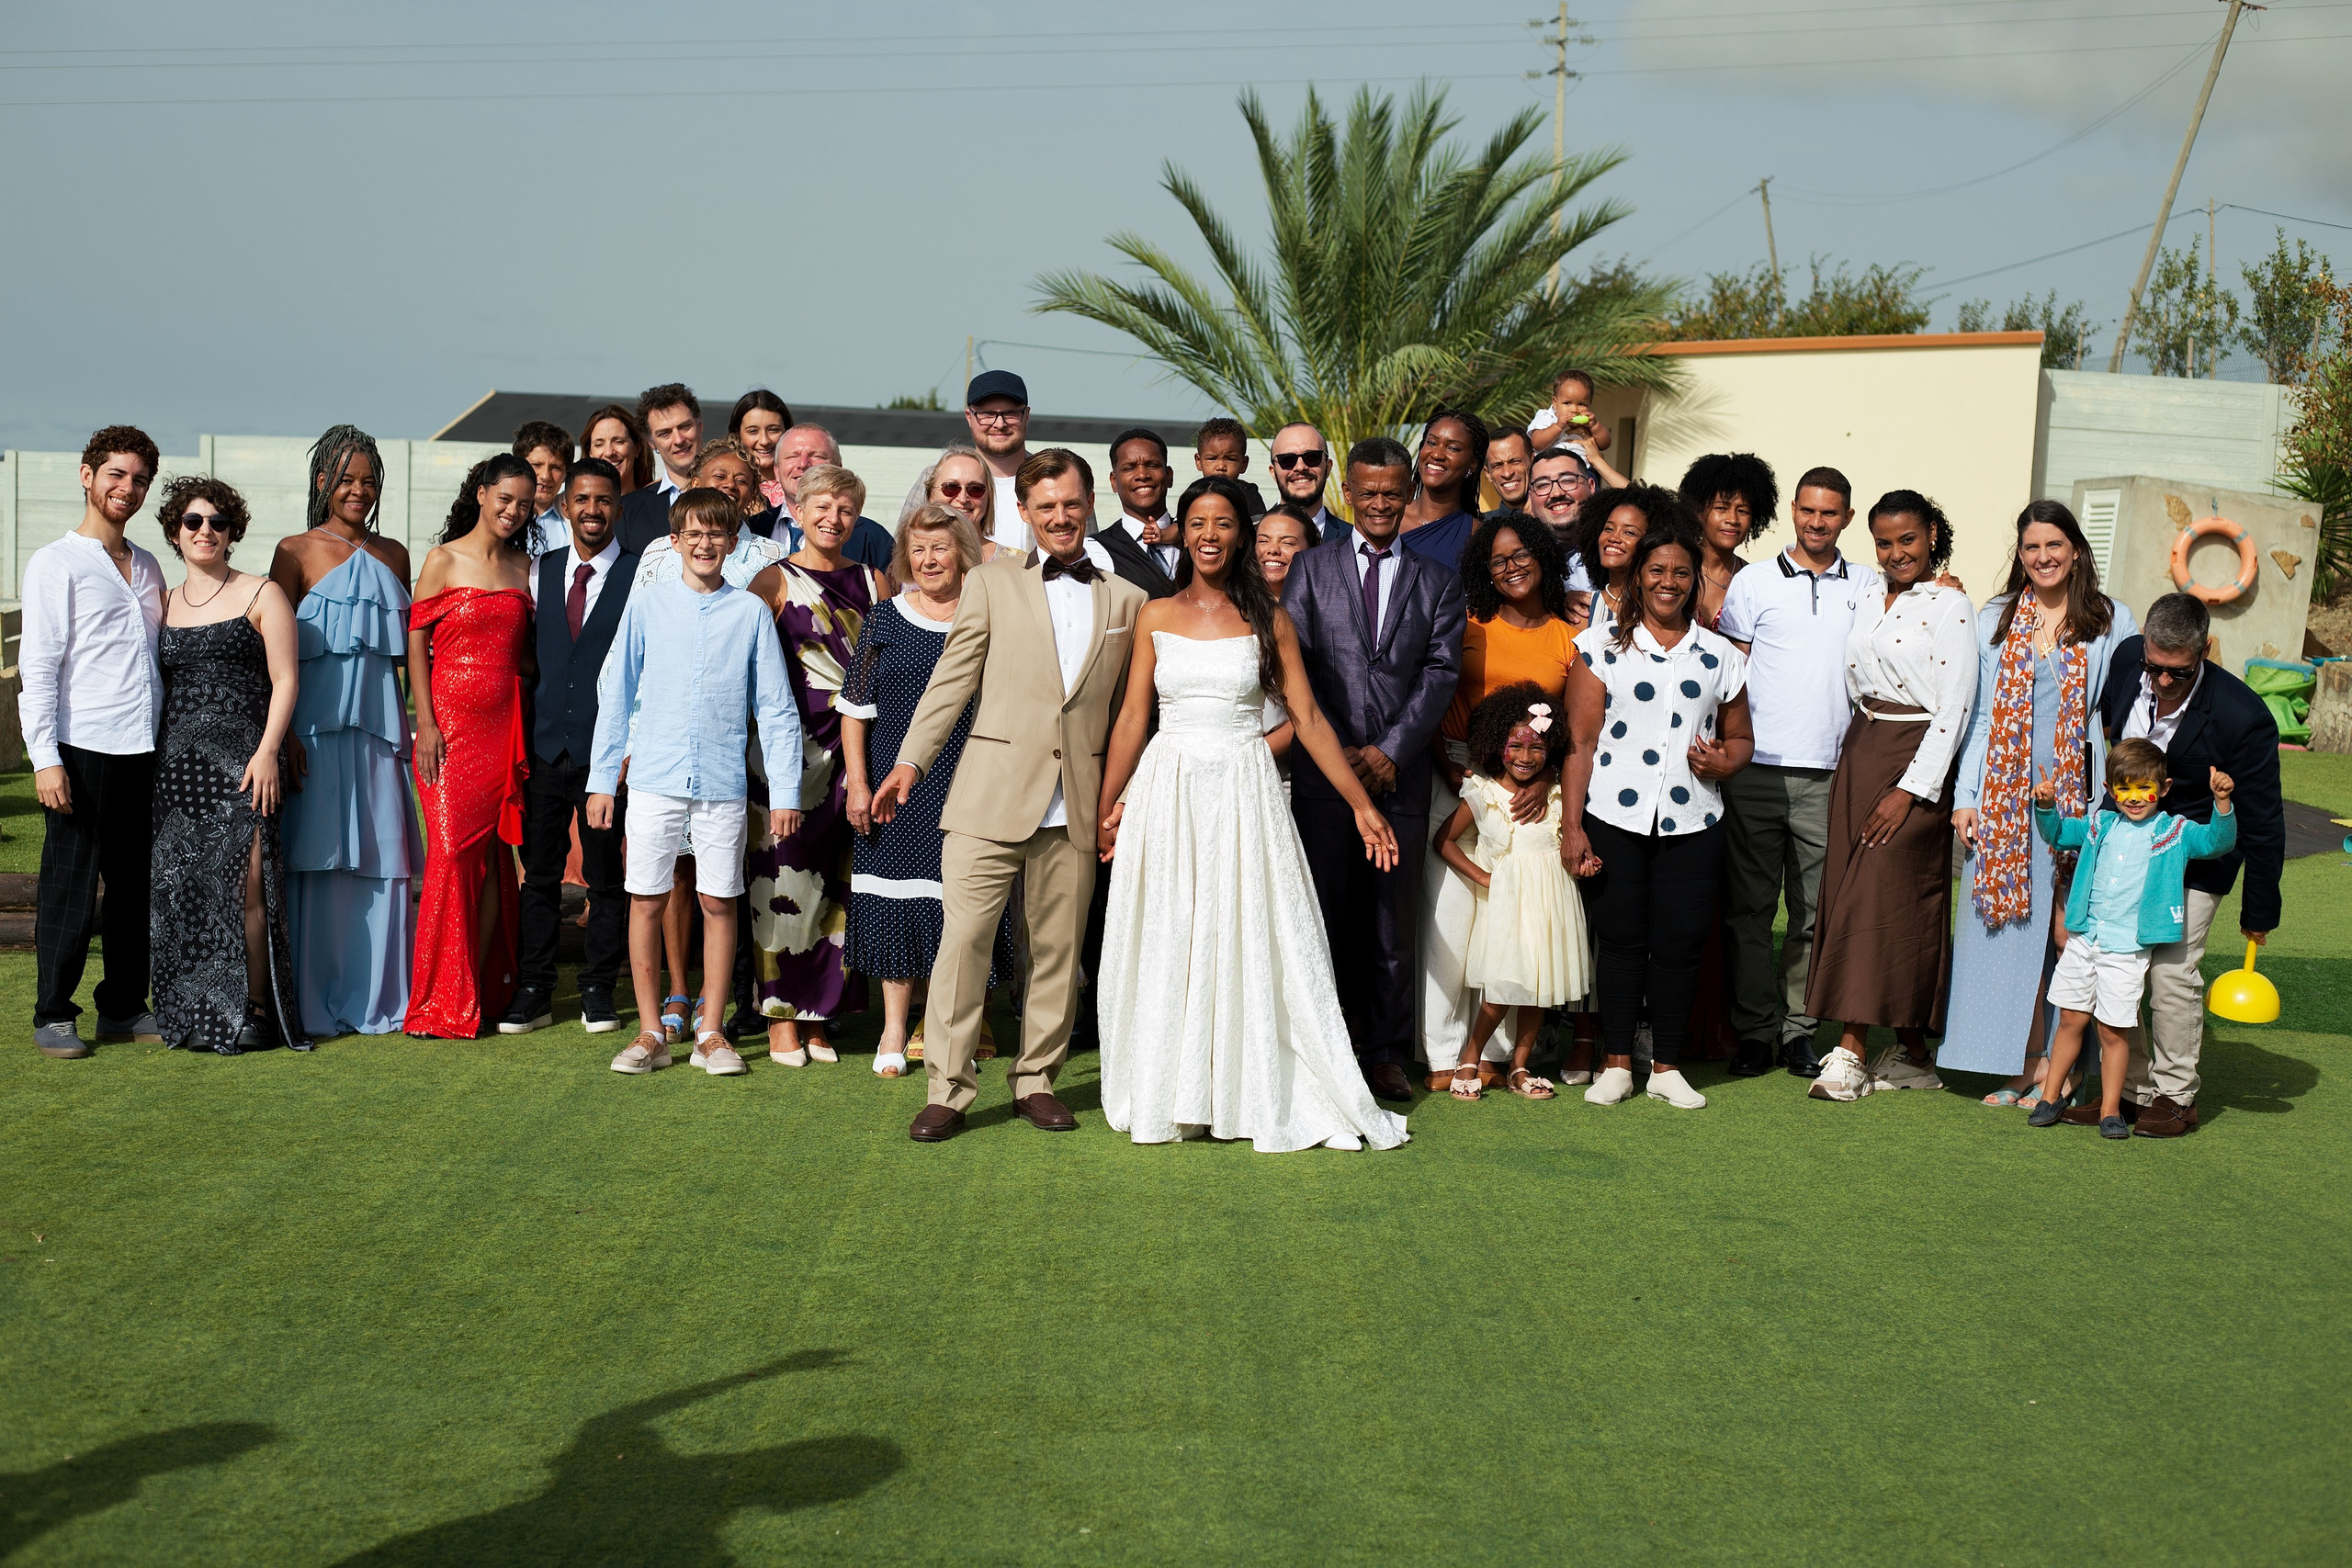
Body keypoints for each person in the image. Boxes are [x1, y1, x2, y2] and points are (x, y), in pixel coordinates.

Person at [1092, 475, 1408, 1150]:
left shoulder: (1272, 620)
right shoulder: (1153, 614)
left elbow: (1310, 718)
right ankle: (1174, 1087)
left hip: (1244, 788)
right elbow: (1130, 720)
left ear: (1242, 534)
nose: (1210, 535)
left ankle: (1245, 1086)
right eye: (1197, 522)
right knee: (1173, 929)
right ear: (1182, 530)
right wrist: (1107, 804)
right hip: (1168, 787)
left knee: (1249, 932)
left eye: (1224, 523)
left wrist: (1361, 805)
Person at [869, 448, 1146, 1141]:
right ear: (1023, 512)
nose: (1060, 516)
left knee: (1056, 951)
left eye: (1071, 503)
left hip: (1076, 800)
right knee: (963, 942)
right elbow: (951, 681)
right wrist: (909, 762)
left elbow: (1132, 712)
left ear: (1090, 505)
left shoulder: (1128, 600)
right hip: (988, 796)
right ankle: (948, 1087)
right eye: (1045, 505)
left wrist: (1124, 794)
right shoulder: (989, 582)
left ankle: (1037, 1080)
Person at [588, 489, 803, 1076]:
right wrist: (602, 779)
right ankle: (651, 1030)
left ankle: (711, 1032)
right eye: (694, 534)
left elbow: (777, 707)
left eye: (717, 535)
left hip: (722, 782)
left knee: (717, 899)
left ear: (733, 544)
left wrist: (785, 791)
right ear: (675, 540)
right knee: (648, 898)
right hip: (654, 777)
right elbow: (616, 692)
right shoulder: (648, 603)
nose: (705, 544)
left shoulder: (751, 611)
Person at [1279, 436, 1467, 1102]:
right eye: (1370, 492)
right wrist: (1344, 755)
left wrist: (1389, 751)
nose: (1382, 503)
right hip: (1328, 780)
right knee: (1325, 914)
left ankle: (1385, 1052)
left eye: (1394, 491)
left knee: (1391, 923)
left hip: (1400, 776)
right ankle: (1327, 1046)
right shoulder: (1309, 569)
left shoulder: (1440, 580)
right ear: (1348, 494)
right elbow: (1296, 666)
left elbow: (1442, 671)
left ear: (1408, 491)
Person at [1942, 501, 2139, 1105]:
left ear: (2076, 549)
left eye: (2055, 545)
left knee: (2069, 934)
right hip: (2005, 802)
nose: (2044, 556)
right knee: (2008, 930)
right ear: (2020, 553)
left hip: (2079, 800)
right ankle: (2022, 1062)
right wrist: (1965, 797)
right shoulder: (1997, 617)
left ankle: (2065, 1061)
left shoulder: (2111, 619)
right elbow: (1978, 717)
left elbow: (2122, 717)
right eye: (2032, 547)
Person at [1562, 525, 1754, 1110]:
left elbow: (1742, 739)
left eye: (1679, 572)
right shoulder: (1598, 648)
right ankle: (1616, 1063)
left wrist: (1726, 762)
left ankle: (1667, 1066)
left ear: (1694, 580)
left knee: (1681, 942)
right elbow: (1580, 744)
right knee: (1619, 941)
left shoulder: (1721, 655)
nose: (1668, 582)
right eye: (1656, 571)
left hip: (1694, 819)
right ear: (1638, 578)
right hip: (1613, 819)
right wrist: (1572, 827)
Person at [1802, 492, 1976, 1102]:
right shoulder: (1864, 594)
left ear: (1931, 534)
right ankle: (1915, 1055)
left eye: (1907, 539)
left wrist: (1910, 790)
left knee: (1877, 895)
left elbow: (1955, 709)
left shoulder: (1952, 604)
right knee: (1868, 893)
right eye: (1883, 541)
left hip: (1916, 756)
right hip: (1862, 745)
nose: (1896, 552)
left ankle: (1849, 1050)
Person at [2092, 592, 2284, 1137]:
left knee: (2172, 971)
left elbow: (2264, 821)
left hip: (2196, 857)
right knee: (2119, 963)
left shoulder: (2244, 717)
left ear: (2204, 652)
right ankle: (2127, 1093)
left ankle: (2176, 1097)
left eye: (2177, 671)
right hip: (2126, 846)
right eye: (2154, 667)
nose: (2161, 681)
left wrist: (2260, 910)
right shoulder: (2129, 659)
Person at [841, 505, 1022, 1077]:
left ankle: (952, 1024)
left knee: (963, 908)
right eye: (917, 550)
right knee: (896, 902)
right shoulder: (884, 618)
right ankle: (895, 1028)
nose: (928, 560)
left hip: (970, 782)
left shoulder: (988, 613)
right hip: (896, 785)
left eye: (940, 549)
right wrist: (860, 783)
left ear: (963, 553)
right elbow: (855, 710)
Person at [1713, 467, 1881, 1080]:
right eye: (1807, 510)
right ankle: (1755, 1031)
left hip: (1831, 774)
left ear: (1847, 518)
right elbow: (1730, 674)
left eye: (1829, 513)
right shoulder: (1753, 582)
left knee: (1813, 915)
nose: (1816, 522)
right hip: (1755, 768)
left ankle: (1798, 1030)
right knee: (1751, 911)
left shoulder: (1867, 583)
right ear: (1792, 509)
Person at [628, 440, 791, 1042]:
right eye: (715, 475)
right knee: (665, 877)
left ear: (752, 494)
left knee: (725, 883)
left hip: (733, 751)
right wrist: (626, 750)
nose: (727, 485)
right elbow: (630, 674)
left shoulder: (770, 559)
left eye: (739, 479)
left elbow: (775, 688)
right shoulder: (655, 572)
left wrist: (784, 780)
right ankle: (669, 999)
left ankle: (721, 1013)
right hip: (662, 753)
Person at [270, 424, 421, 1040]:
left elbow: (413, 656)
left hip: (381, 736)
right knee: (317, 861)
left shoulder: (396, 555)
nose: (358, 490)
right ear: (321, 481)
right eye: (347, 478)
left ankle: (382, 997)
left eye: (369, 481)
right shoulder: (294, 550)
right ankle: (313, 997)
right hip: (312, 732)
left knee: (385, 857)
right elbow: (270, 649)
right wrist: (283, 737)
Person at [22, 426, 167, 1058]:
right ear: (87, 475)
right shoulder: (56, 562)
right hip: (82, 751)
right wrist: (45, 758)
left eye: (138, 479)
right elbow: (40, 667)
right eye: (116, 474)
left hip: (144, 751)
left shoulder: (151, 564)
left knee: (135, 888)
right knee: (71, 890)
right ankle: (54, 1012)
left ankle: (124, 1007)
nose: (126, 488)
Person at [148, 477, 305, 1055]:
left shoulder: (263, 593)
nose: (205, 531)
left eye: (217, 522)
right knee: (182, 886)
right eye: (193, 522)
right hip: (177, 770)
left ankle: (255, 1008)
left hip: (246, 765)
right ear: (175, 532)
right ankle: (191, 1005)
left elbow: (287, 679)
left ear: (233, 531)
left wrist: (269, 751)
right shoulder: (162, 602)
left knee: (246, 886)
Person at [1420, 512, 1577, 1089]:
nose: (1511, 567)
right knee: (1449, 922)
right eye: (1498, 560)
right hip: (1457, 773)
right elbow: (1433, 699)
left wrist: (1544, 777)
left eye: (1521, 555)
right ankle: (1442, 1053)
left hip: (1530, 788)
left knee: (1515, 923)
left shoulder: (1569, 635)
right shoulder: (1466, 625)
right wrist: (1452, 767)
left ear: (1542, 556)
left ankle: (1502, 1053)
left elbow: (1577, 728)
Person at [744, 463, 890, 1065]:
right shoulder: (770, 582)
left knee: (839, 885)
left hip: (859, 747)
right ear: (797, 511)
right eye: (821, 507)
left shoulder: (878, 581)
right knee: (782, 879)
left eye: (846, 508)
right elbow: (748, 671)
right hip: (787, 751)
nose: (834, 518)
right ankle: (781, 1016)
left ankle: (820, 1017)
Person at [2027, 741, 2236, 1137]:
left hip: (2128, 950)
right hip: (2086, 940)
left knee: (2112, 1030)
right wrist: (2046, 804)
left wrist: (2221, 802)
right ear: (2110, 788)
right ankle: (2049, 1095)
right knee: (2071, 1018)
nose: (2135, 798)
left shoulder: (2174, 831)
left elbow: (2217, 843)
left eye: (2145, 788)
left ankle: (2111, 1110)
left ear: (2165, 787)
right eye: (2125, 789)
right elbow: (2056, 832)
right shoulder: (2099, 825)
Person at [501, 457, 638, 1038]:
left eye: (603, 500)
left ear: (617, 508)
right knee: (540, 875)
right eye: (581, 500)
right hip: (545, 749)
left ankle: (598, 988)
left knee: (607, 878)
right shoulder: (538, 570)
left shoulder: (640, 575)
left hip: (607, 755)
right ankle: (534, 988)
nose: (592, 510)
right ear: (565, 506)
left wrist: (631, 748)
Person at [402, 454, 537, 1039]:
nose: (513, 512)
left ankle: (476, 989)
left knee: (491, 864)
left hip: (503, 732)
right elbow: (416, 643)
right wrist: (425, 724)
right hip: (448, 734)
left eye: (525, 504)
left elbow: (530, 656)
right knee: (452, 854)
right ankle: (437, 1000)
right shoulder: (441, 559)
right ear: (482, 494)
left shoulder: (525, 567)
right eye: (505, 498)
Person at [1434, 683, 1589, 1101]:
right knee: (1503, 988)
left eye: (1537, 748)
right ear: (1495, 744)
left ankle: (1520, 1066)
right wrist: (1483, 878)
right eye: (1515, 746)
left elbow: (1565, 844)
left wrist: (1584, 861)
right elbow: (1443, 842)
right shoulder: (1483, 793)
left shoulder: (1558, 794)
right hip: (1508, 907)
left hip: (1552, 903)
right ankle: (1470, 1056)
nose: (1526, 757)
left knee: (1540, 987)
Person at [762, 423, 895, 570]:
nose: (803, 464)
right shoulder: (753, 528)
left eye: (817, 456)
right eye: (793, 456)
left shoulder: (874, 539)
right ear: (776, 470)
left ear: (838, 468)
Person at [1677, 452, 1777, 631]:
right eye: (1721, 508)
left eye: (1743, 511)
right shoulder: (1674, 568)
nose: (1733, 519)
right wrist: (1606, 467)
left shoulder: (1753, 580)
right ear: (1698, 511)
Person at [1395, 406, 1487, 573]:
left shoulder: (1477, 535)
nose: (1437, 454)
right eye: (1431, 443)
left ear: (1473, 464)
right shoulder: (1390, 515)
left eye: (1452, 448)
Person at [616, 383, 703, 554]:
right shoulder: (627, 511)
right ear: (651, 442)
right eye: (665, 433)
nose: (678, 440)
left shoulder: (732, 495)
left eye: (685, 427)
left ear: (700, 425)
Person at [1097, 426, 1182, 597]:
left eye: (1152, 465)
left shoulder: (1198, 537)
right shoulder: (1095, 551)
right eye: (1129, 468)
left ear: (1169, 475)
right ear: (1114, 481)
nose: (1142, 475)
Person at [897, 445, 1009, 563]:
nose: (963, 499)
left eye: (976, 489)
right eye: (951, 487)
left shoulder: (1013, 563)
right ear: (931, 495)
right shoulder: (907, 561)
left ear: (989, 497)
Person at [1575, 483, 1660, 637]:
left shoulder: (1662, 610)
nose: (1614, 538)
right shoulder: (1580, 612)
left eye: (1629, 532)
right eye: (1608, 529)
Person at [963, 369, 1034, 553]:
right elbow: (903, 559)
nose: (999, 424)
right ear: (969, 417)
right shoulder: (938, 479)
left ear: (1027, 416)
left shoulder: (1059, 481)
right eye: (987, 414)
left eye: (1010, 413)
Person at [1529, 368, 1628, 487]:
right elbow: (1537, 442)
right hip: (1548, 473)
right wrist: (1558, 426)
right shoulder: (1546, 417)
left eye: (1581, 404)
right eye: (1567, 403)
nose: (1574, 410)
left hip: (1583, 473)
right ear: (1555, 402)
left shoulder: (1587, 425)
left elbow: (1605, 443)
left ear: (1590, 404)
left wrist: (1595, 426)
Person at [1527, 445, 1600, 602]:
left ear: (1591, 486)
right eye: (1543, 485)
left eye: (1567, 480)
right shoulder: (1521, 560)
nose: (1557, 493)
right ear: (1531, 497)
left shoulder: (1617, 545)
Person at [1267, 423, 1337, 539]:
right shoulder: (1250, 538)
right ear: (1273, 472)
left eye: (1312, 457)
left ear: (1328, 467)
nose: (1300, 467)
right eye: (1287, 460)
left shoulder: (1353, 540)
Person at [1191, 417, 1267, 518]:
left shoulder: (1248, 494)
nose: (1221, 466)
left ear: (1243, 464)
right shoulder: (1194, 493)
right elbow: (1179, 527)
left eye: (1230, 459)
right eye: (1212, 458)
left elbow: (1259, 527)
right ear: (1199, 461)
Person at [728, 389, 792, 508]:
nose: (764, 441)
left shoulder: (804, 485)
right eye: (753, 431)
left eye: (773, 430)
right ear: (737, 434)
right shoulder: (727, 487)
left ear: (787, 431)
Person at [514, 420, 572, 540]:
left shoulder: (573, 523)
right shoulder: (501, 518)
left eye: (555, 468)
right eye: (536, 465)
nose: (545, 476)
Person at [582, 403, 651, 493]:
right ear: (589, 453)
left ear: (637, 448)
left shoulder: (659, 503)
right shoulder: (569, 503)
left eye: (618, 442)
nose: (609, 452)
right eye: (599, 444)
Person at [1255, 504, 1316, 593]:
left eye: (1287, 543)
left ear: (1310, 550)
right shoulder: (1233, 604)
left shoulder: (1325, 604)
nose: (1272, 550)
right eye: (1263, 541)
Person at [1483, 426, 1535, 514]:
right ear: (1488, 474)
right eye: (1497, 465)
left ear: (1533, 462)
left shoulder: (1559, 519)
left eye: (1515, 462)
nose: (1507, 474)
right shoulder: (1478, 526)